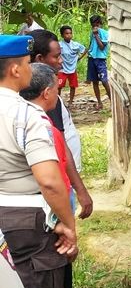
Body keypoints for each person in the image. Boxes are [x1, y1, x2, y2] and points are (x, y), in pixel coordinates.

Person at [0, 34, 77, 288]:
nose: (31, 70)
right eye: (27, 63)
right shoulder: (27, 115)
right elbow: (49, 181)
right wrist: (68, 225)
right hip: (26, 221)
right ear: (15, 70)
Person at [30, 30, 92, 212]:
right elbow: (60, 144)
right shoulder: (47, 95)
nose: (61, 61)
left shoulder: (29, 89)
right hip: (59, 180)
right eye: (56, 57)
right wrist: (81, 190)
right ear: (40, 59)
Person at [58, 25, 87, 106]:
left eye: (70, 33)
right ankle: (58, 101)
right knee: (59, 86)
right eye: (66, 33)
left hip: (72, 69)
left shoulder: (75, 45)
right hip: (62, 69)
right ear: (62, 35)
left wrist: (79, 58)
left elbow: (85, 49)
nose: (69, 35)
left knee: (73, 86)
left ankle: (71, 101)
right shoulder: (59, 45)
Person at [87, 14, 111, 110]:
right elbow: (91, 45)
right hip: (92, 58)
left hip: (100, 59)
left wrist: (96, 35)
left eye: (95, 24)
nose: (94, 26)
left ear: (99, 23)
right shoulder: (91, 33)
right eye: (92, 25)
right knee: (95, 82)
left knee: (104, 81)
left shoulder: (105, 33)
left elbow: (101, 47)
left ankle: (111, 101)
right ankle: (99, 102)